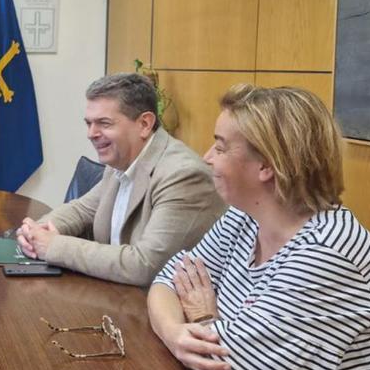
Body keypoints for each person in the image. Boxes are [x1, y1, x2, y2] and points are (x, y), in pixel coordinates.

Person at [148, 84, 370, 370]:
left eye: (221, 147)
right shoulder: (244, 216)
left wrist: (204, 318)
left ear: (267, 165)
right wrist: (176, 332)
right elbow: (166, 281)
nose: (207, 157)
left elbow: (227, 367)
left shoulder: (327, 252)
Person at [16, 73, 225, 285]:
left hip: (157, 307)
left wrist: (53, 246)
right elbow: (82, 209)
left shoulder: (183, 175)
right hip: (115, 294)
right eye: (89, 123)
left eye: (104, 124)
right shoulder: (122, 158)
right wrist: (37, 232)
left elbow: (144, 266)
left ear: (144, 124)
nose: (91, 133)